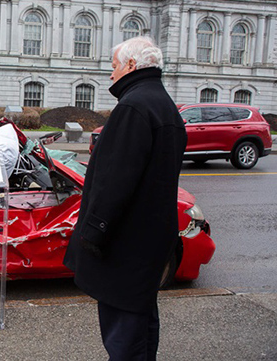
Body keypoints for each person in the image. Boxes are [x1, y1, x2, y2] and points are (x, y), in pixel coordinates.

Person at [63, 36, 187, 360]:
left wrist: (92, 234)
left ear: (132, 66)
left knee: (123, 338)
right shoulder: (164, 105)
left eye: (114, 66)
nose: (111, 74)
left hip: (125, 248)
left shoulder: (134, 107)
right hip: (149, 244)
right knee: (141, 328)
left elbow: (114, 180)